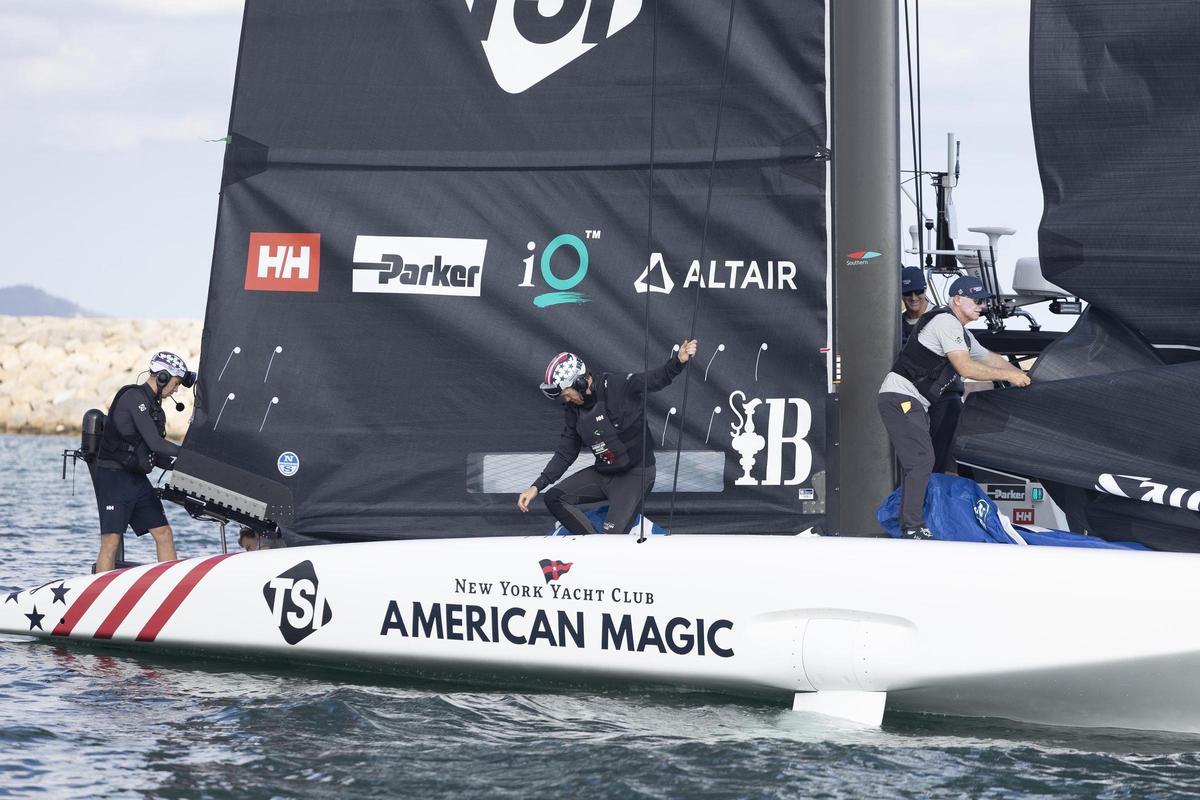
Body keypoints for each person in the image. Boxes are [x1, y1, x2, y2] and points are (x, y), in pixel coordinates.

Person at [878, 276, 1031, 539]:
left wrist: (1024, 375)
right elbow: (966, 368)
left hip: (913, 401)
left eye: (982, 301)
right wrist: (1009, 377)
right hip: (899, 397)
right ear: (957, 300)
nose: (981, 305)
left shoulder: (963, 334)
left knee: (925, 460)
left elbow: (991, 358)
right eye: (976, 300)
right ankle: (912, 526)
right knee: (922, 460)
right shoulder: (945, 322)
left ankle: (914, 520)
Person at [517, 340, 698, 536]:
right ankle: (593, 543)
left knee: (611, 538)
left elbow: (654, 379)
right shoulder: (573, 411)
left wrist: (678, 362)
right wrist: (537, 485)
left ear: (581, 382)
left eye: (567, 394)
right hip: (605, 473)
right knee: (553, 498)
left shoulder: (616, 386)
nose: (567, 400)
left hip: (636, 475)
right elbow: (565, 452)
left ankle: (623, 534)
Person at [89, 351, 193, 572]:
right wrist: (190, 454)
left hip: (136, 479)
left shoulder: (153, 406)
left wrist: (183, 465)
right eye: (175, 384)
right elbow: (155, 443)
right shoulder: (134, 398)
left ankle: (169, 586)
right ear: (163, 377)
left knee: (163, 534)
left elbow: (154, 454)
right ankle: (100, 594)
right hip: (114, 478)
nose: (175, 390)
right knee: (111, 541)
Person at [900, 266, 964, 473]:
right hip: (913, 401)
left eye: (918, 291)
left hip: (944, 398)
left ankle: (939, 500)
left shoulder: (943, 318)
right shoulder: (895, 324)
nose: (913, 297)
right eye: (907, 293)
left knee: (941, 460)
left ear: (925, 289)